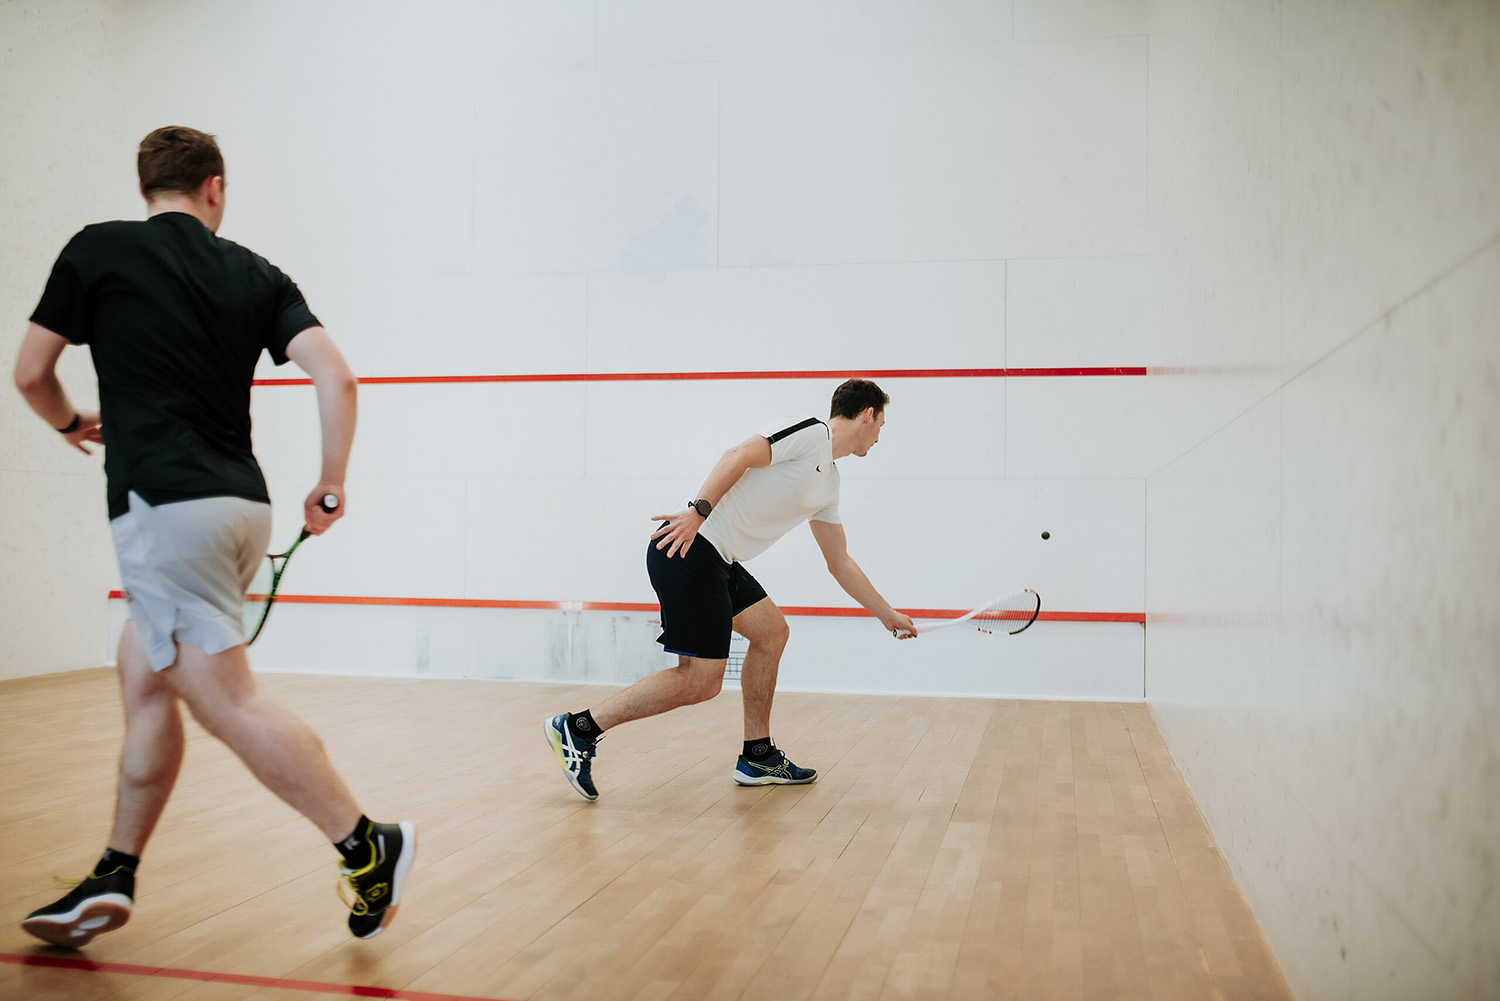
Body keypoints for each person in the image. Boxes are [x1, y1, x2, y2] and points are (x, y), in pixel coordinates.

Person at [12, 126, 414, 947]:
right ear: (215, 189)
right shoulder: (256, 273)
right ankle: (116, 867)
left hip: (163, 507)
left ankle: (367, 842)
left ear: (144, 188)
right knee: (147, 673)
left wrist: (69, 423)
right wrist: (330, 480)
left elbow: (28, 372)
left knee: (225, 699)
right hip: (243, 509)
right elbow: (335, 373)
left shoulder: (97, 251)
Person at [545, 378, 917, 800]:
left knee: (772, 633)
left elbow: (839, 562)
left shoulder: (829, 483)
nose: (879, 436)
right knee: (700, 682)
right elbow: (739, 455)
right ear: (867, 414)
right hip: (689, 545)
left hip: (719, 560)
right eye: (881, 425)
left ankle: (757, 755)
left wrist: (886, 614)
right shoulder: (811, 433)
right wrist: (696, 512)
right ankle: (576, 728)